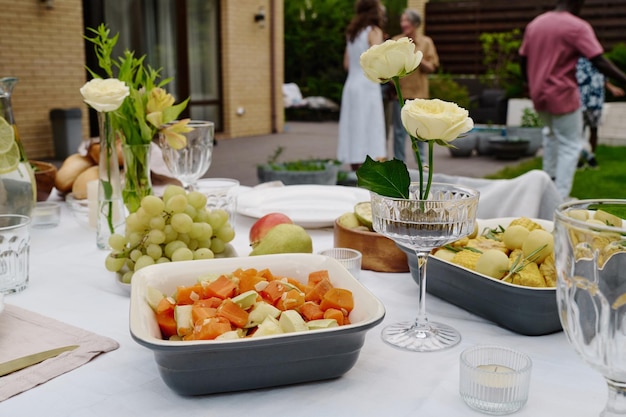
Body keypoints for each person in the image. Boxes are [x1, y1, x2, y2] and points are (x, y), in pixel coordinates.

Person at [519, 0, 626, 199]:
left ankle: (546, 187)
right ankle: (559, 198)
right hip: (562, 94)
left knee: (551, 135)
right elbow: (599, 60)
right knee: (570, 145)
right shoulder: (577, 26)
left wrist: (529, 84)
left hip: (539, 94)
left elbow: (523, 60)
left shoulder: (536, 24)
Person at [337, 0, 386, 171]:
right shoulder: (374, 31)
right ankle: (370, 171)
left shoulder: (352, 33)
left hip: (351, 85)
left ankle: (355, 168)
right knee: (370, 126)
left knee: (354, 126)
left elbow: (347, 64)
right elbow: (377, 60)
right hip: (367, 85)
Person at [391, 9, 439, 162]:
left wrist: (416, 58)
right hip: (399, 94)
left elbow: (432, 67)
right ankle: (400, 164)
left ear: (416, 24)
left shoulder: (426, 42)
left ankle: (423, 164)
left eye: (407, 21)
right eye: (402, 21)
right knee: (399, 132)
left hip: (419, 95)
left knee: (421, 131)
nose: (403, 24)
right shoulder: (396, 41)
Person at [576, 57, 625, 168]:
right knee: (579, 131)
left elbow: (604, 79)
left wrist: (612, 88)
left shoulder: (598, 60)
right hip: (578, 101)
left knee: (594, 129)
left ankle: (591, 157)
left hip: (595, 100)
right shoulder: (574, 60)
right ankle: (579, 158)